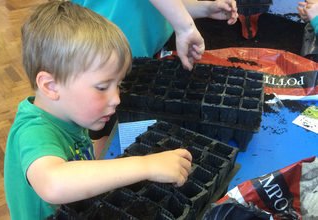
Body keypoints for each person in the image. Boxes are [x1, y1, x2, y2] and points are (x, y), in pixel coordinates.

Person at [4, 2, 192, 219]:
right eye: (102, 87)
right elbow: (52, 183)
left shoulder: (69, 114)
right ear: (51, 86)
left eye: (118, 85)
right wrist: (146, 165)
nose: (116, 99)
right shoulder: (33, 132)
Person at [70, 0, 239, 154]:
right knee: (100, 132)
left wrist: (205, 8)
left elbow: (157, 6)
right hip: (98, 61)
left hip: (134, 63)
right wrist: (185, 27)